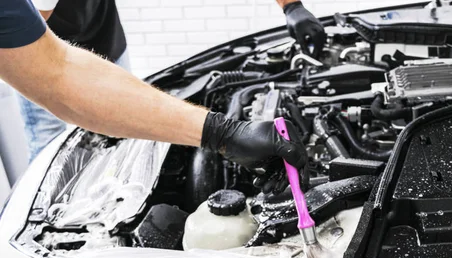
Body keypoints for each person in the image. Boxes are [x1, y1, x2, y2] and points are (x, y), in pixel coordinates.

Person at [0, 0, 327, 194]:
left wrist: (292, 6)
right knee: (58, 186)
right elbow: (54, 73)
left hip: (102, 43)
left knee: (118, 153)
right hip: (51, 66)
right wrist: (223, 133)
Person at [17, 0, 130, 162]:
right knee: (47, 150)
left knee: (121, 133)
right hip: (41, 56)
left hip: (103, 37)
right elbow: (27, 26)